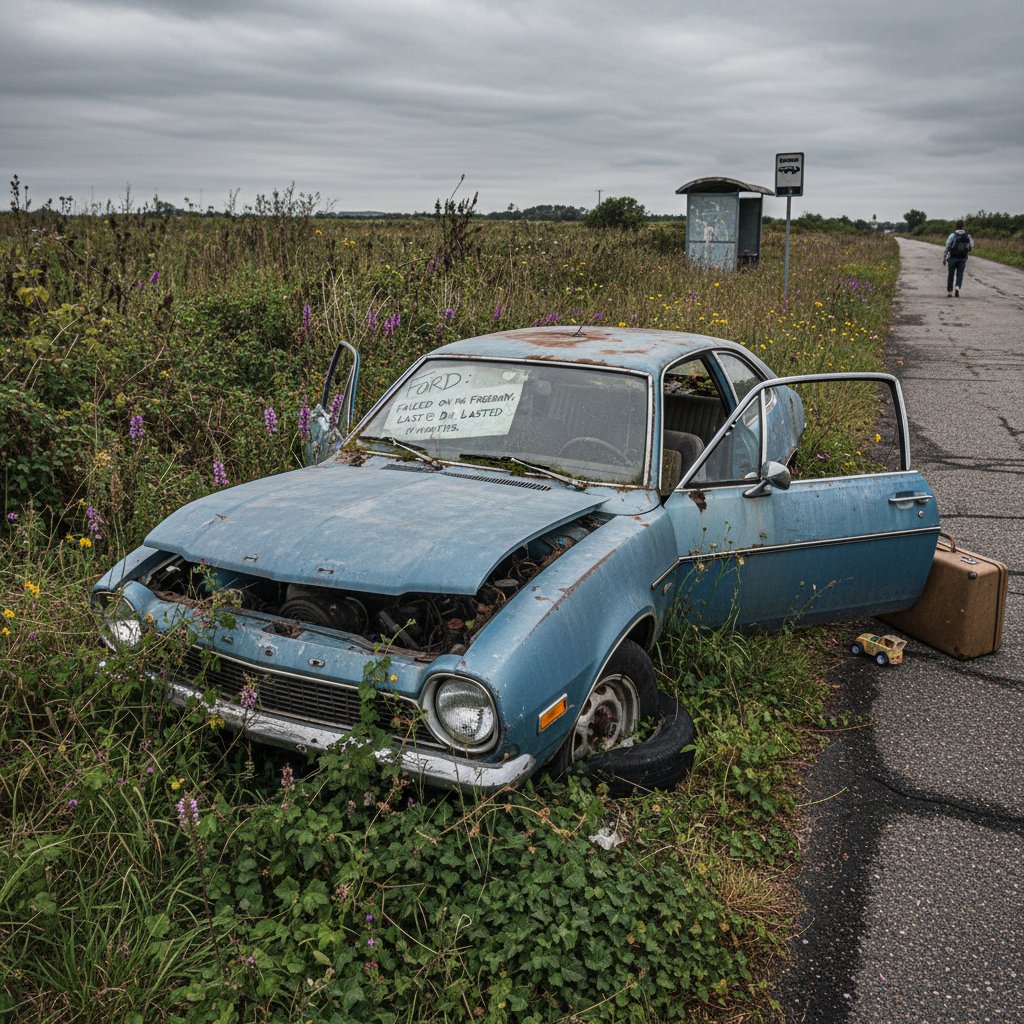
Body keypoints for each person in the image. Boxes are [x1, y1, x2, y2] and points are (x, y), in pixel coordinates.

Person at [943, 219, 973, 297]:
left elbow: (947, 246)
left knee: (951, 274)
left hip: (952, 257)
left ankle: (949, 291)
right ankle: (957, 287)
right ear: (963, 226)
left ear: (956, 226)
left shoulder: (952, 235)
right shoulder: (968, 235)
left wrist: (944, 257)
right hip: (963, 258)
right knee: (960, 274)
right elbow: (971, 245)